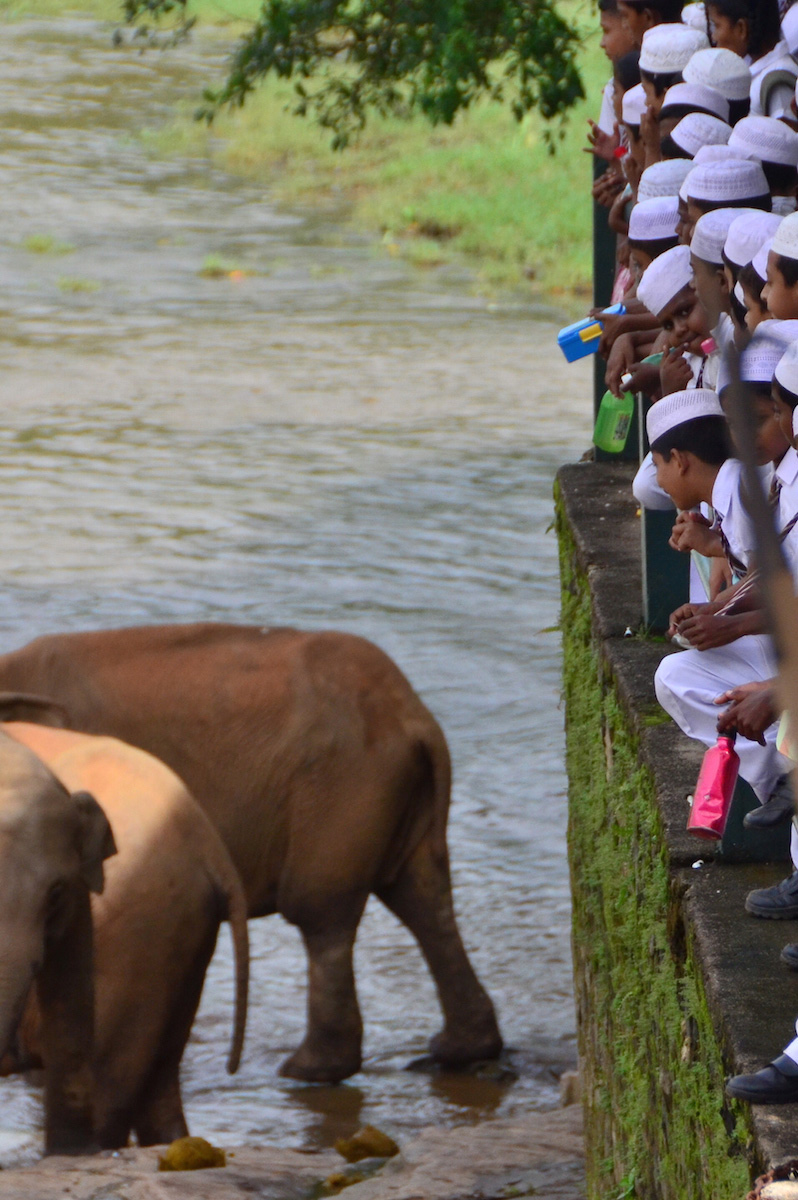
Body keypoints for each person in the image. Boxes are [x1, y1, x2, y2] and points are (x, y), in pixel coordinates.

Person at [706, 0, 797, 119]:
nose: (714, 37)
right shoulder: (750, 65)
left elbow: (786, 134)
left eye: (716, 25)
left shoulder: (777, 84)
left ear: (741, 28)